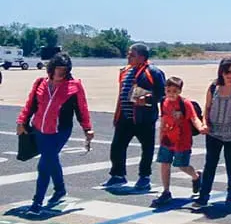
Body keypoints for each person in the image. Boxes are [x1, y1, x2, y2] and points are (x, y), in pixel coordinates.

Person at [16, 52, 94, 215]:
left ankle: (37, 203)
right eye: (58, 69)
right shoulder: (40, 83)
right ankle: (60, 189)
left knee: (44, 164)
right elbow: (30, 105)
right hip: (39, 129)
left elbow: (82, 109)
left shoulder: (74, 86)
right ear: (51, 68)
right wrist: (22, 121)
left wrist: (87, 129)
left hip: (60, 131)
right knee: (51, 159)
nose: (60, 73)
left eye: (64, 70)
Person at [104, 43, 165, 191]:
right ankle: (118, 174)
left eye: (132, 54)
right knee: (117, 146)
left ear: (142, 57)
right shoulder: (125, 71)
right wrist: (117, 114)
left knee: (147, 148)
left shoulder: (153, 72)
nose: (128, 57)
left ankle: (144, 177)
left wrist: (148, 99)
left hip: (143, 118)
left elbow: (162, 94)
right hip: (125, 117)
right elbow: (122, 94)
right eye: (128, 54)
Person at [196, 58, 231, 206]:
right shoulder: (214, 87)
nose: (229, 75)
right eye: (226, 71)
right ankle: (204, 194)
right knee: (210, 164)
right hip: (214, 132)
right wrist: (204, 123)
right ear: (221, 71)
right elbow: (207, 107)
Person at [153, 76, 207, 207]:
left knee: (181, 165)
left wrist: (201, 127)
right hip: (167, 138)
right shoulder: (164, 102)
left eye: (175, 91)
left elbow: (194, 118)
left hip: (182, 140)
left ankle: (196, 176)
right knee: (164, 163)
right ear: (165, 90)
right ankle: (166, 191)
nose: (171, 94)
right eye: (169, 91)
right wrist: (161, 136)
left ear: (180, 91)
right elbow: (164, 119)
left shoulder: (185, 104)